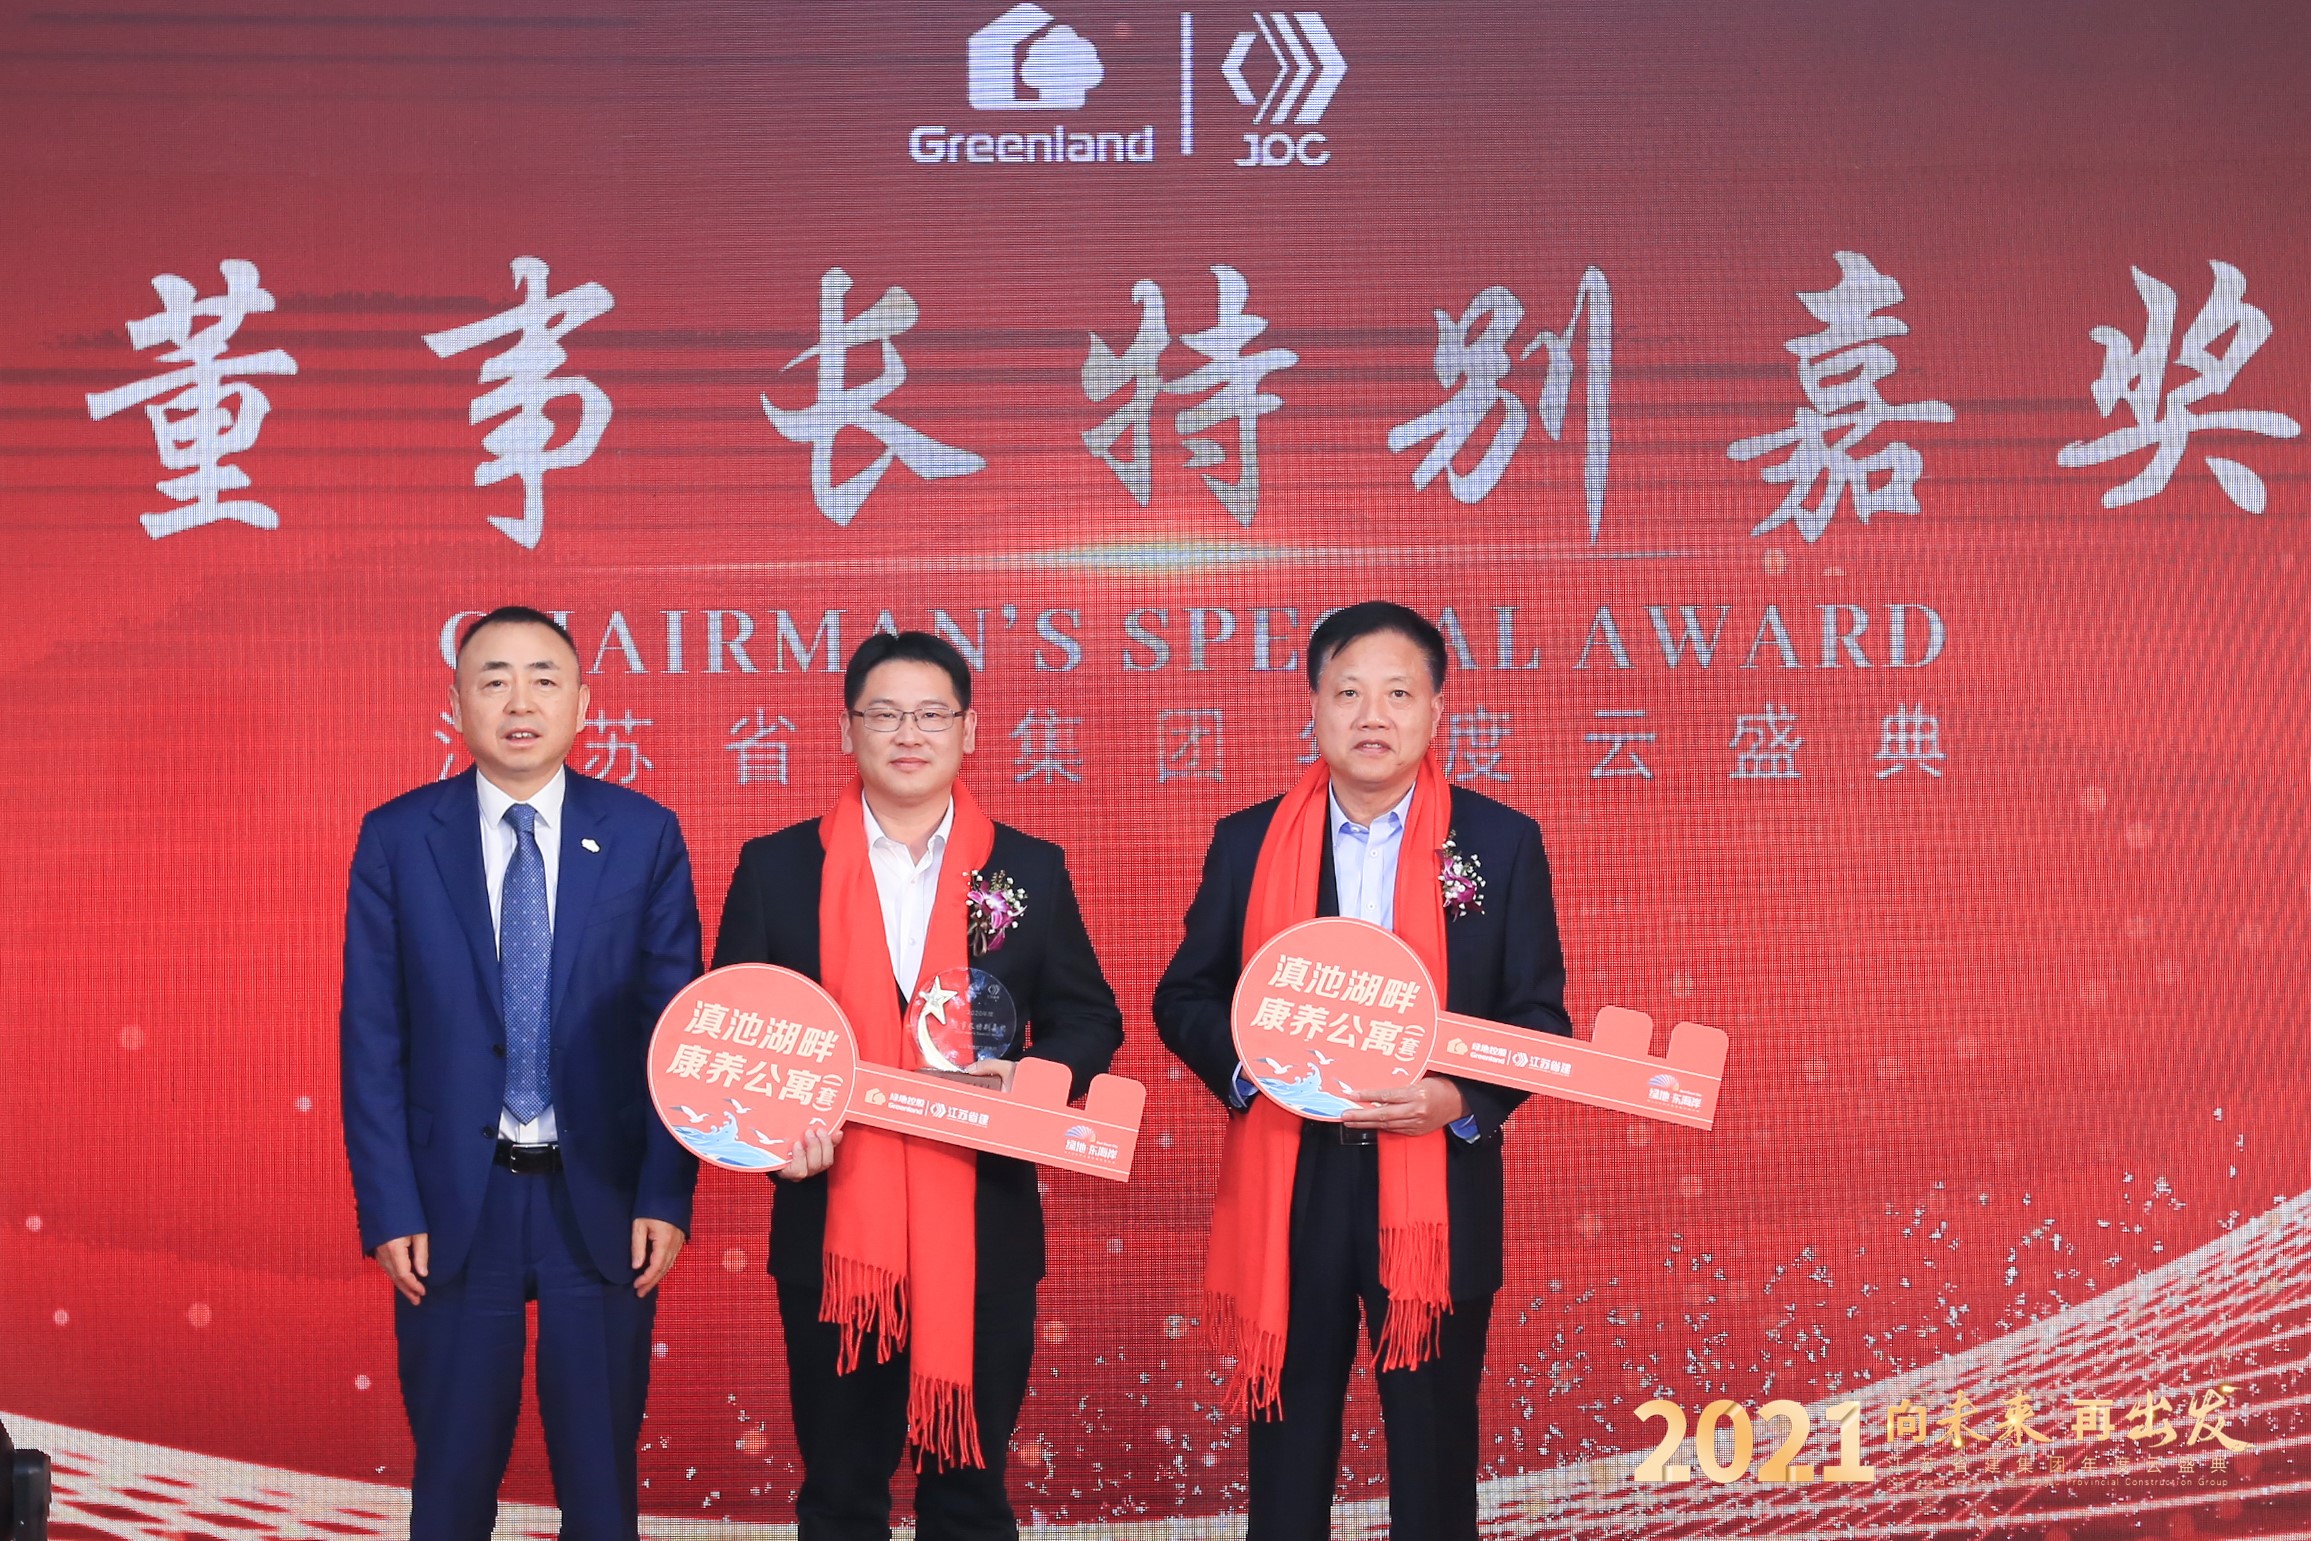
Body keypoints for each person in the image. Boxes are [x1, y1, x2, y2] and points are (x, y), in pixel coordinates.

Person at [1151, 601, 1571, 1541]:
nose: (1371, 715)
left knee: (1432, 1455)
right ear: (1313, 708)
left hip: (1434, 1184)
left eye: (1396, 694)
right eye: (1347, 693)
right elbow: (1185, 995)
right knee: (1287, 1447)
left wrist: (1456, 1098)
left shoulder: (1499, 843)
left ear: (1434, 712)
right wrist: (1255, 1070)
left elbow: (1538, 1018)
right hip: (1291, 1175)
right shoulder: (1248, 841)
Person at [714, 631, 1124, 1541]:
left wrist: (1031, 1076)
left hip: (983, 1226)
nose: (909, 733)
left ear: (967, 730)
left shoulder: (1028, 868)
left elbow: (1091, 1018)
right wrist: (773, 1141)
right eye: (885, 714)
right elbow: (731, 1030)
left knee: (969, 1498)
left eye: (932, 713)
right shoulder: (777, 869)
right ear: (847, 729)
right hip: (832, 1230)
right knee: (839, 1496)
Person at [340, 606, 702, 1539]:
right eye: (492, 679)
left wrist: (665, 1191)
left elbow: (678, 1030)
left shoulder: (643, 834)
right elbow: (372, 1038)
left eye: (544, 678)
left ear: (582, 703)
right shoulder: (398, 837)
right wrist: (390, 1206)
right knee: (451, 1486)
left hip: (603, 1201)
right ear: (456, 704)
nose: (519, 701)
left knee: (601, 1488)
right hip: (454, 1206)